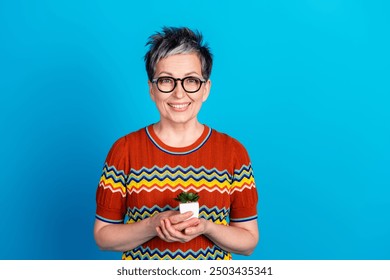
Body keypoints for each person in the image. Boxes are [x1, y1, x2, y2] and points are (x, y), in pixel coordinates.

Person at [94, 27, 259, 260]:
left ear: (206, 89)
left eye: (191, 81)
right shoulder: (124, 150)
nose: (179, 94)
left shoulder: (234, 152)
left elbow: (248, 242)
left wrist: (207, 227)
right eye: (166, 81)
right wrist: (152, 225)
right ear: (152, 89)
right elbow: (103, 236)